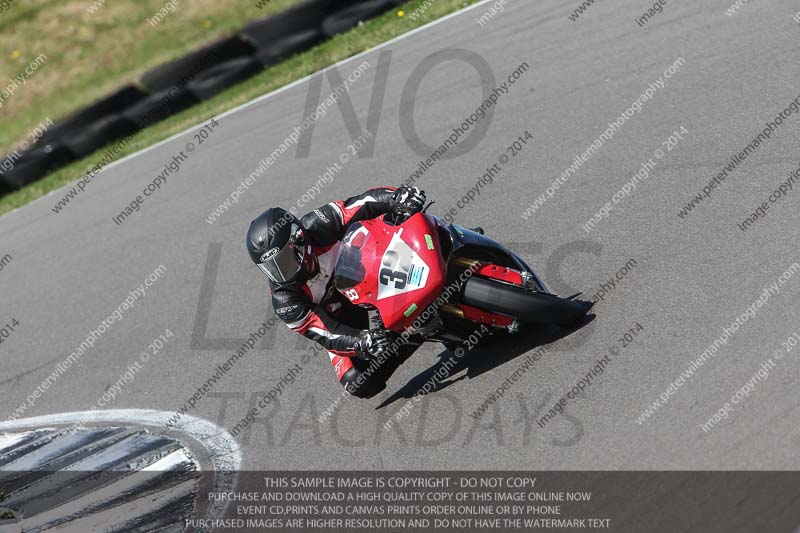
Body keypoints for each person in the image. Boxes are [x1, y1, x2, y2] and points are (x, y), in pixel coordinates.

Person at [246, 186, 426, 399]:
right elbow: (326, 333)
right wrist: (361, 342)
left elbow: (362, 203)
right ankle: (417, 331)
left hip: (376, 268)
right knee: (358, 382)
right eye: (271, 268)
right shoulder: (285, 301)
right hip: (344, 316)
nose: (280, 273)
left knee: (400, 214)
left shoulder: (318, 224)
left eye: (283, 261)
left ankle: (453, 246)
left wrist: (396, 197)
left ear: (299, 240)